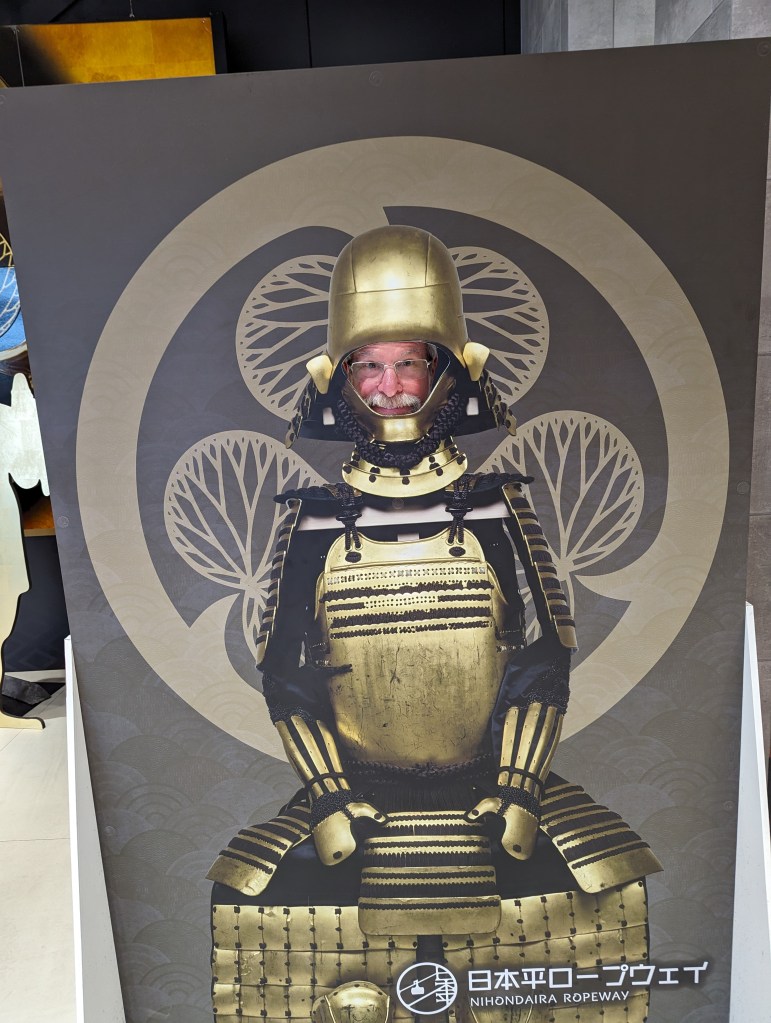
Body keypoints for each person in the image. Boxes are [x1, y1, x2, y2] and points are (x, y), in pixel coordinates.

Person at [208, 225, 661, 1023]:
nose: (389, 387)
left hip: (494, 785)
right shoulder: (313, 522)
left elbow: (540, 661)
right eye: (368, 365)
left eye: (408, 362)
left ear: (448, 367)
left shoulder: (495, 506)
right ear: (336, 376)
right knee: (257, 901)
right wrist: (327, 795)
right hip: (356, 796)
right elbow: (287, 677)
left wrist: (519, 786)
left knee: (598, 891)